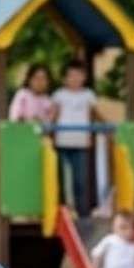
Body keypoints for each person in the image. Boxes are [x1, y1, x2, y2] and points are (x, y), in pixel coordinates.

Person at [49, 57, 103, 217]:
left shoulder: (88, 95)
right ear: (65, 78)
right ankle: (63, 211)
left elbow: (94, 114)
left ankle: (83, 213)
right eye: (71, 76)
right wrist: (50, 134)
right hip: (62, 142)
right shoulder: (59, 95)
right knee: (61, 179)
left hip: (80, 143)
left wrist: (107, 127)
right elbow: (54, 115)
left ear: (84, 77)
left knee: (80, 180)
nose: (74, 79)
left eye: (78, 75)